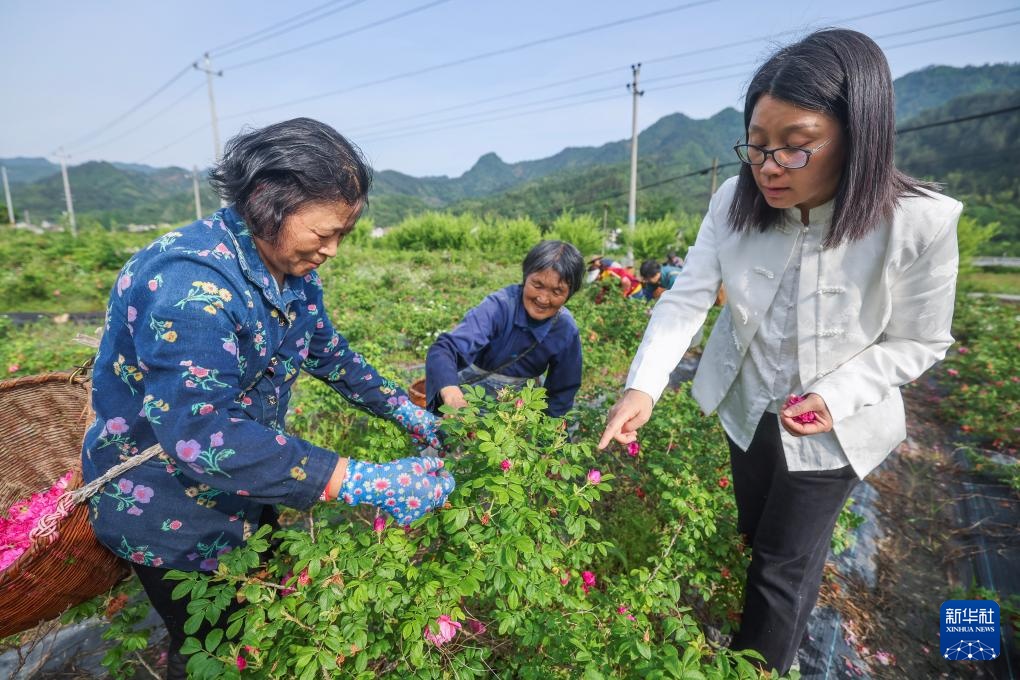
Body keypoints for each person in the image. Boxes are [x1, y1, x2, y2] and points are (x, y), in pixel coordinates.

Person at [598, 29, 961, 675]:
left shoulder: (919, 221)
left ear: (857, 136)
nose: (768, 167)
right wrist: (642, 386)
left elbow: (919, 340)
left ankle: (758, 665)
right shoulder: (732, 202)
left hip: (833, 428)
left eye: (795, 149)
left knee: (782, 564)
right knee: (755, 532)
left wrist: (836, 394)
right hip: (749, 405)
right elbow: (685, 300)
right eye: (758, 147)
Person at [81, 118, 454, 679]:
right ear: (265, 202)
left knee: (258, 612)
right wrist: (362, 480)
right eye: (322, 234)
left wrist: (408, 412)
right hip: (165, 503)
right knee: (206, 646)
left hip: (245, 484)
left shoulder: (291, 271)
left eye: (342, 236)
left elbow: (328, 353)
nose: (331, 251)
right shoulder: (189, 285)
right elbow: (202, 435)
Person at [426, 240, 584, 418]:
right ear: (526, 278)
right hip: (470, 401)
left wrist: (546, 431)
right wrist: (451, 395)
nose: (543, 298)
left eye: (556, 292)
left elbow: (562, 391)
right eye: (537, 285)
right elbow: (445, 349)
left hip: (518, 412)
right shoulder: (499, 307)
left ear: (569, 294)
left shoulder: (564, 329)